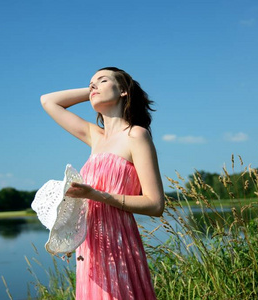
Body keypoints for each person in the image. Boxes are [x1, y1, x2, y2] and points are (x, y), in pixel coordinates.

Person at [40, 67, 165, 299]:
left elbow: (155, 204)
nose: (93, 86)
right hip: (89, 247)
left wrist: (96, 194)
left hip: (119, 241)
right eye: (90, 83)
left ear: (123, 91)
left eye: (102, 80)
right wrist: (91, 90)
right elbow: (48, 101)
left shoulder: (136, 135)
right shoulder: (94, 136)